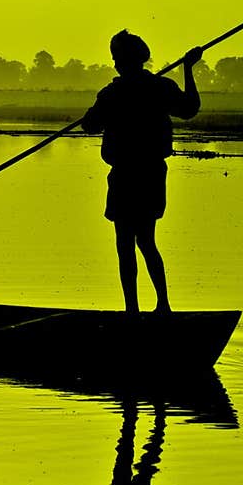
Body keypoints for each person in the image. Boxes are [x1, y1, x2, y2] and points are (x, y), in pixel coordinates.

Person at [80, 31, 202, 314]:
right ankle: (155, 307)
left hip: (130, 176)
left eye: (116, 56)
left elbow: (89, 125)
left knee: (129, 243)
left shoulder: (113, 94)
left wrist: (186, 67)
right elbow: (190, 108)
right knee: (144, 240)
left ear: (128, 59)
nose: (113, 63)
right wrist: (187, 69)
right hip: (147, 175)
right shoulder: (155, 88)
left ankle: (137, 310)